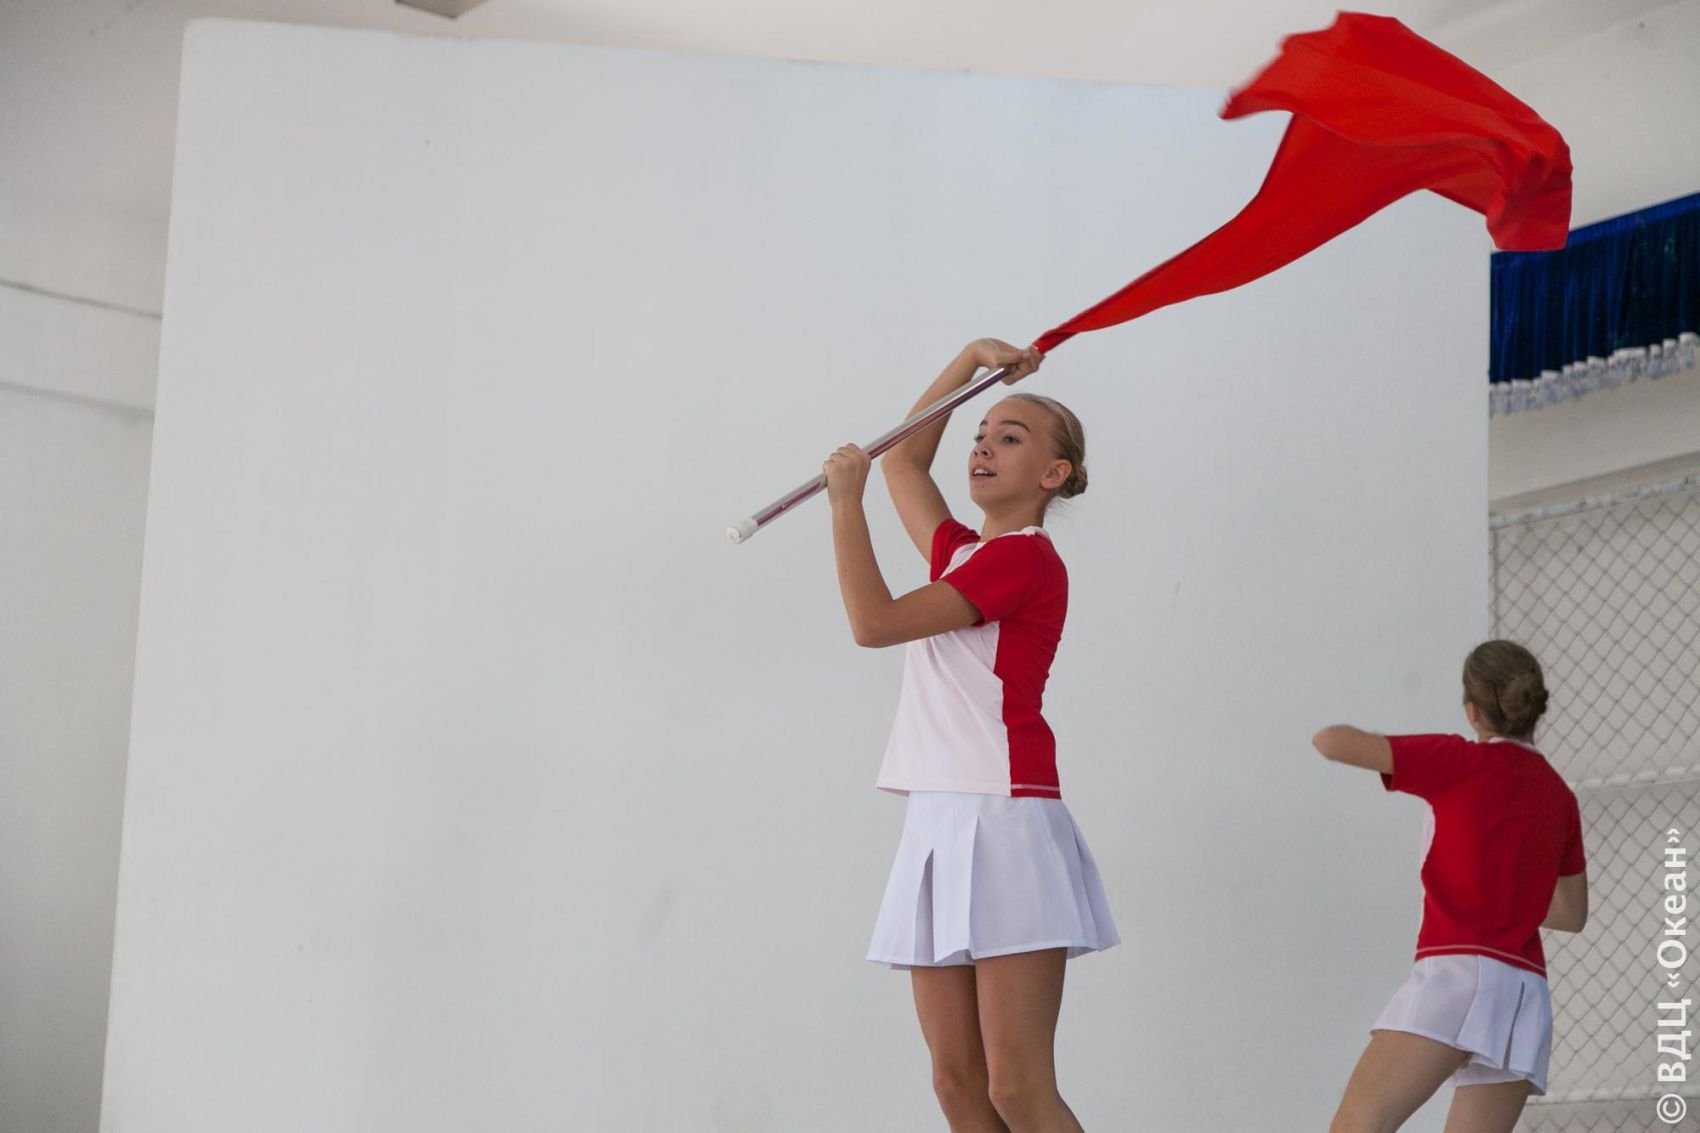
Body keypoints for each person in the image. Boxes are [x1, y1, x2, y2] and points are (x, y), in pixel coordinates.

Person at [820, 337, 1119, 1133]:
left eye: (1009, 437)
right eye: (981, 431)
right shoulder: (965, 554)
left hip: (1005, 818)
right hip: (938, 819)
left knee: (1019, 1089)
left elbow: (873, 622)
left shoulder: (1022, 562)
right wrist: (967, 365)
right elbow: (904, 462)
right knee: (958, 1081)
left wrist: (845, 506)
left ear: (1053, 473)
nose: (982, 446)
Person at [1313, 640, 1589, 1133]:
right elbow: (1571, 914)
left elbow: (1329, 741)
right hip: (1523, 994)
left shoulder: (1456, 760)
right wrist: (1507, 885)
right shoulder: (1559, 795)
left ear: (1473, 711)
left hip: (1456, 972)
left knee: (1357, 1125)